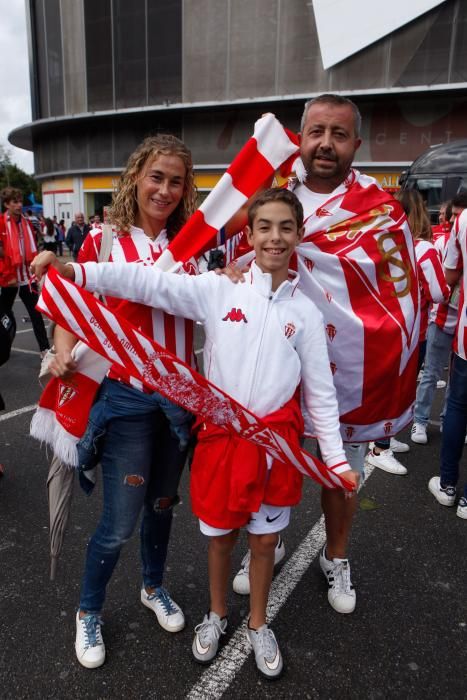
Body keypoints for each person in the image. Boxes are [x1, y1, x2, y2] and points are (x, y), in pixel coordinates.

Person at [32, 187, 359, 679]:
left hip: (273, 446)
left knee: (265, 544)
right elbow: (143, 283)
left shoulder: (307, 314)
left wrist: (334, 461)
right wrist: (76, 272)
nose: (275, 237)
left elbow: (322, 394)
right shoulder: (218, 288)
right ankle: (216, 615)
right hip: (220, 442)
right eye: (264, 227)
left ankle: (256, 624)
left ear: (298, 235)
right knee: (220, 539)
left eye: (285, 228)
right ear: (248, 235)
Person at [229, 95, 419, 610]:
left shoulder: (381, 213)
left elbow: (400, 302)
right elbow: (239, 262)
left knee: (341, 474)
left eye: (339, 134)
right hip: (277, 365)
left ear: (356, 144)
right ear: (302, 135)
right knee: (268, 466)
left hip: (349, 373)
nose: (326, 144)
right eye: (317, 131)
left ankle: (336, 558)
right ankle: (266, 542)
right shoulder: (272, 195)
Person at [32, 135, 199, 669]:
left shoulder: (194, 246)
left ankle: (153, 587)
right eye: (157, 177)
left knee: (163, 506)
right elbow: (68, 308)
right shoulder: (102, 242)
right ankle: (88, 611)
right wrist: (60, 353)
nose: (165, 189)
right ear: (135, 179)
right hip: (126, 399)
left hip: (178, 399)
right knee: (119, 521)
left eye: (176, 181)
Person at [365, 190, 449, 468]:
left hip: (383, 327)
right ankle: (380, 447)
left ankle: (382, 438)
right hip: (412, 330)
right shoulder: (423, 249)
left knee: (387, 386)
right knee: (396, 388)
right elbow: (439, 292)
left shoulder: (382, 244)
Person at [411, 194, 467, 444]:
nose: (455, 219)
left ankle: (448, 420)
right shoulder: (440, 242)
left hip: (462, 325)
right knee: (431, 374)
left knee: (457, 380)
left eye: (459, 214)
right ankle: (420, 421)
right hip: (442, 319)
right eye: (452, 214)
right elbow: (439, 286)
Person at [428, 205, 467, 519]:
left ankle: (449, 485)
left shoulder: (464, 219)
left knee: (457, 405)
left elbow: (450, 275)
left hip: (466, 334)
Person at [0, 188, 50, 356]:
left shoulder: (27, 222)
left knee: (36, 313)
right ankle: (4, 343)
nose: (19, 205)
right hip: (10, 279)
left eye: (20, 201)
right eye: (15, 202)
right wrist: (8, 275)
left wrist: (36, 270)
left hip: (26, 277)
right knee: (4, 314)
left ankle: (44, 350)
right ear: (7, 204)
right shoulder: (1, 223)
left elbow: (33, 247)